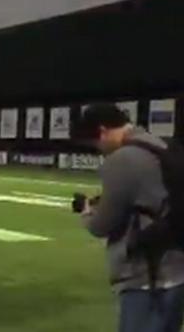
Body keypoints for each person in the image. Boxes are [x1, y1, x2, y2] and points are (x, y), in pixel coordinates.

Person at [73, 103, 184, 332]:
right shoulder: (159, 144)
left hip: (145, 275)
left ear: (103, 130)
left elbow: (101, 226)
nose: (99, 149)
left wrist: (86, 212)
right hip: (177, 269)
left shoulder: (123, 159)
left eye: (96, 143)